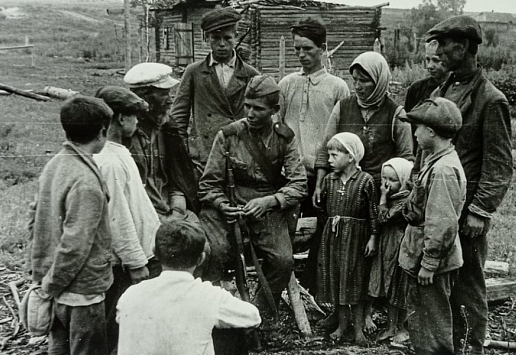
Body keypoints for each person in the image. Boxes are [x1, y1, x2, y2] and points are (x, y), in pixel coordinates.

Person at [426, 15, 513, 355]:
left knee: (468, 280)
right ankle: (444, 343)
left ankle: (471, 349)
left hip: (466, 210)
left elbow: (499, 163)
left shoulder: (491, 100)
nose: (438, 51)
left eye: (443, 45)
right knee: (440, 278)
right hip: (438, 203)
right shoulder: (441, 91)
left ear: (462, 47)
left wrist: (480, 210)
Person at [314, 51, 414, 333]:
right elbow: (327, 146)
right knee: (339, 251)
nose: (358, 86)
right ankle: (337, 311)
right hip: (345, 189)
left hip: (377, 192)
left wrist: (390, 191)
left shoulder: (396, 113)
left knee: (367, 257)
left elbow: (406, 157)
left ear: (379, 81)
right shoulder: (343, 107)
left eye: (365, 81)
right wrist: (321, 180)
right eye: (355, 80)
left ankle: (365, 314)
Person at [197, 75, 307, 311]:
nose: (250, 113)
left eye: (258, 108)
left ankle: (259, 313)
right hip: (230, 207)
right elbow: (208, 184)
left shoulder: (284, 138)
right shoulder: (228, 136)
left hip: (267, 209)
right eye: (247, 106)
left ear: (274, 110)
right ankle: (215, 311)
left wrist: (271, 201)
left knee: (283, 261)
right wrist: (221, 204)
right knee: (213, 252)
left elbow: (299, 183)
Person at [29, 96, 115, 355]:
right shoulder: (86, 182)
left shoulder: (55, 164)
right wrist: (52, 286)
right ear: (102, 133)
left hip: (54, 283)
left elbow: (34, 220)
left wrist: (45, 279)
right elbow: (75, 244)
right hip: (81, 290)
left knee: (59, 352)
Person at [116, 219, 261, 355]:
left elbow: (120, 317)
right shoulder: (208, 295)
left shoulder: (131, 293)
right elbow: (253, 317)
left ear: (155, 253)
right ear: (201, 259)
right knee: (231, 327)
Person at [277, 17, 350, 294]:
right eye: (297, 49)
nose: (302, 55)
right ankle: (287, 286)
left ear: (323, 48)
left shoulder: (337, 88)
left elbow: (341, 135)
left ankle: (316, 287)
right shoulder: (287, 84)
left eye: (307, 49)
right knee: (289, 231)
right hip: (291, 175)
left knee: (321, 232)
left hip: (325, 175)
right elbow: (279, 126)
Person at [92, 86, 162, 355]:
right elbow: (117, 216)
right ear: (120, 118)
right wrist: (135, 261)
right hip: (126, 264)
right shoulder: (108, 161)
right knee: (118, 326)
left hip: (142, 254)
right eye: (133, 116)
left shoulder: (119, 152)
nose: (137, 122)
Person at [397, 97, 466, 355]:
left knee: (433, 325)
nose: (414, 133)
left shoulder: (444, 170)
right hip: (422, 253)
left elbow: (442, 221)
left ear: (431, 131)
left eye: (417, 128)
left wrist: (429, 262)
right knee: (423, 321)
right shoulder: (435, 160)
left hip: (433, 263)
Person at [170, 7, 260, 178]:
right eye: (215, 38)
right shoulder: (194, 72)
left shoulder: (250, 74)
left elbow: (261, 117)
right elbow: (178, 118)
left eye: (227, 38)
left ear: (236, 37)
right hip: (204, 155)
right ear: (206, 39)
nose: (221, 44)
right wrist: (184, 151)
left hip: (240, 152)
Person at [316, 132, 378, 344]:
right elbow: (325, 210)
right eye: (329, 155)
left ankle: (359, 329)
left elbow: (372, 212)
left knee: (357, 280)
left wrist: (373, 237)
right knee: (338, 279)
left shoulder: (365, 181)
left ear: (351, 157)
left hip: (357, 239)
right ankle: (342, 326)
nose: (330, 160)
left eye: (334, 155)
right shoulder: (329, 180)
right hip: (334, 238)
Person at [124, 62, 200, 222]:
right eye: (164, 94)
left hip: (170, 207)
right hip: (140, 213)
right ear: (144, 98)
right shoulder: (126, 136)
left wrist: (178, 211)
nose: (170, 101)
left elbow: (177, 179)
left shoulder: (168, 129)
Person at [366, 157, 414, 343]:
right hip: (387, 244)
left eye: (393, 180)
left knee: (398, 286)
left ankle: (399, 328)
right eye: (384, 178)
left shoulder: (404, 200)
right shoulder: (394, 198)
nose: (386, 184)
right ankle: (389, 325)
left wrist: (383, 198)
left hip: (399, 245)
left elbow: (384, 217)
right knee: (386, 283)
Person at [404, 40, 450, 152]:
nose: (430, 66)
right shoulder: (416, 89)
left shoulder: (455, 90)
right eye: (428, 59)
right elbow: (408, 126)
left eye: (436, 60)